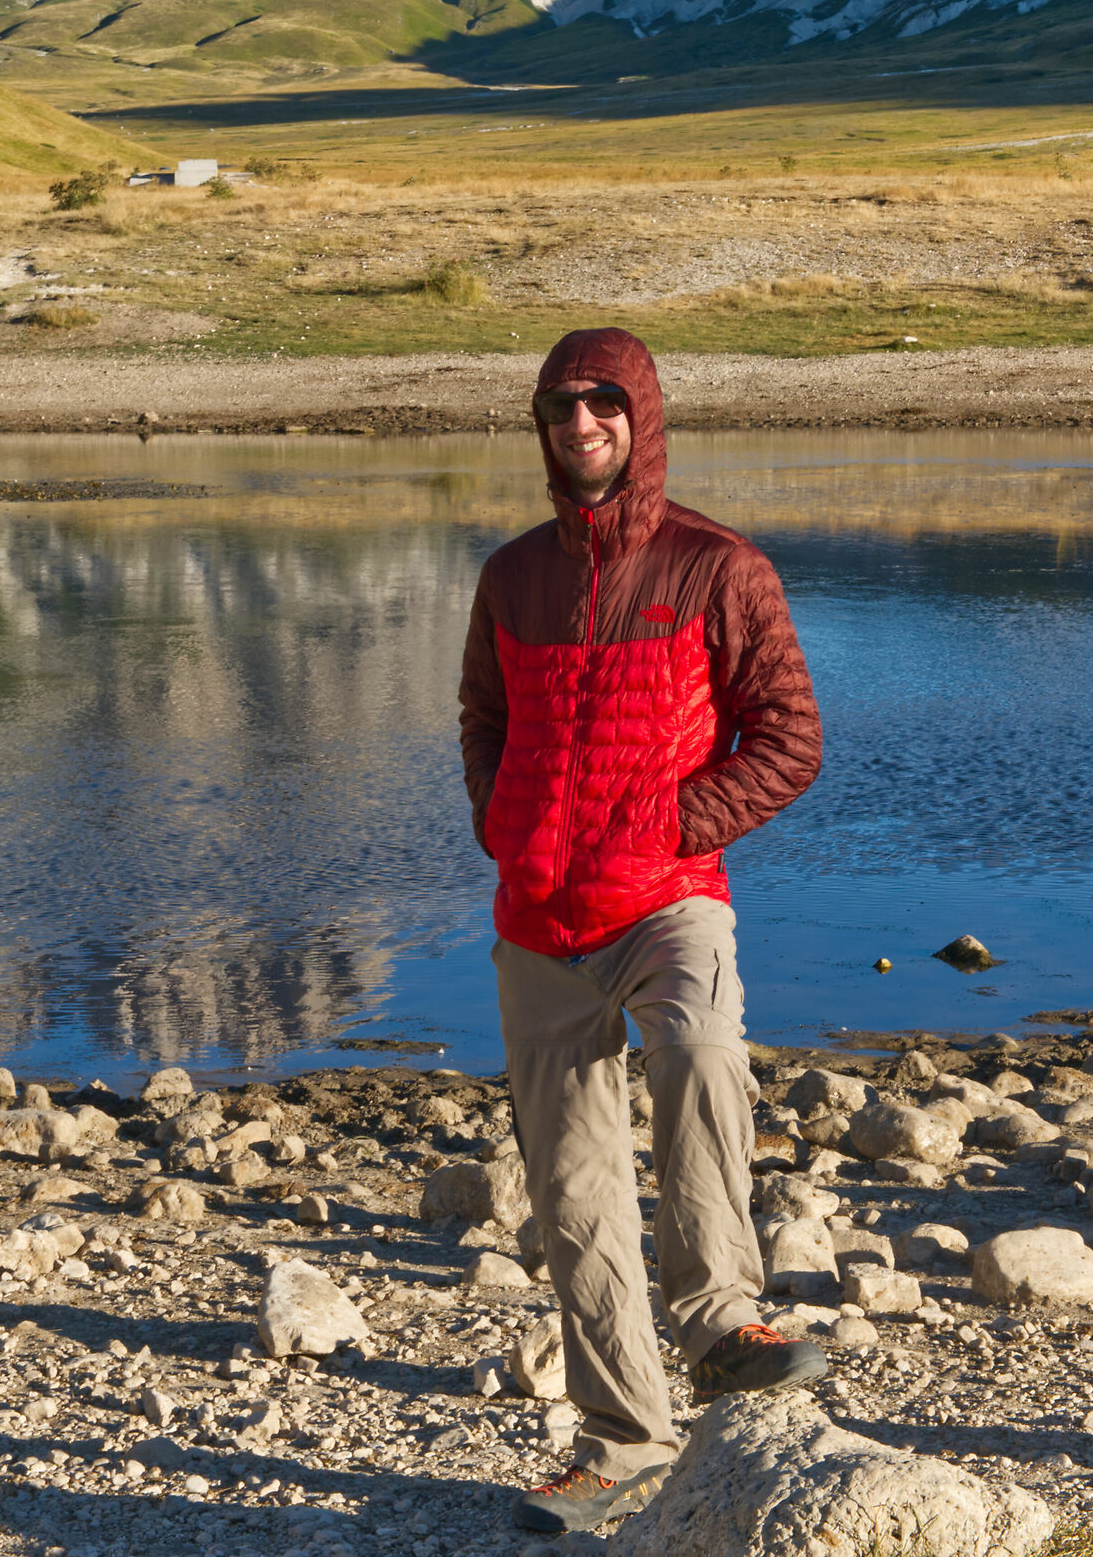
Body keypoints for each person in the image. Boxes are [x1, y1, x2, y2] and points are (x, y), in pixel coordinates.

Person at [458, 326, 825, 1535]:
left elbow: (789, 739)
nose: (581, 425)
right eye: (560, 408)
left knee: (703, 1051)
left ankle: (721, 1316)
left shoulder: (719, 568)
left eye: (603, 403)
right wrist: (504, 828)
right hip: (537, 920)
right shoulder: (512, 576)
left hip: (669, 897)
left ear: (642, 414)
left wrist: (674, 821)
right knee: (574, 1198)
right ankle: (624, 1443)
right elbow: (482, 717)